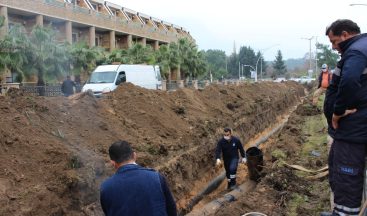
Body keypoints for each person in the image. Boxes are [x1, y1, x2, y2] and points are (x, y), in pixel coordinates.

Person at [321, 19, 367, 216]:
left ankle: (344, 213)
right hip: (357, 128)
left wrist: (337, 112)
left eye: (334, 41)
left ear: (345, 34)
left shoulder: (356, 51)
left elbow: (348, 81)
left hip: (353, 131)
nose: (333, 47)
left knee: (346, 173)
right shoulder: (361, 47)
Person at [100, 140, 177, 216]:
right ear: (134, 155)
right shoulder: (156, 177)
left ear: (112, 163)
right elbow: (171, 208)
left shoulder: (106, 188)